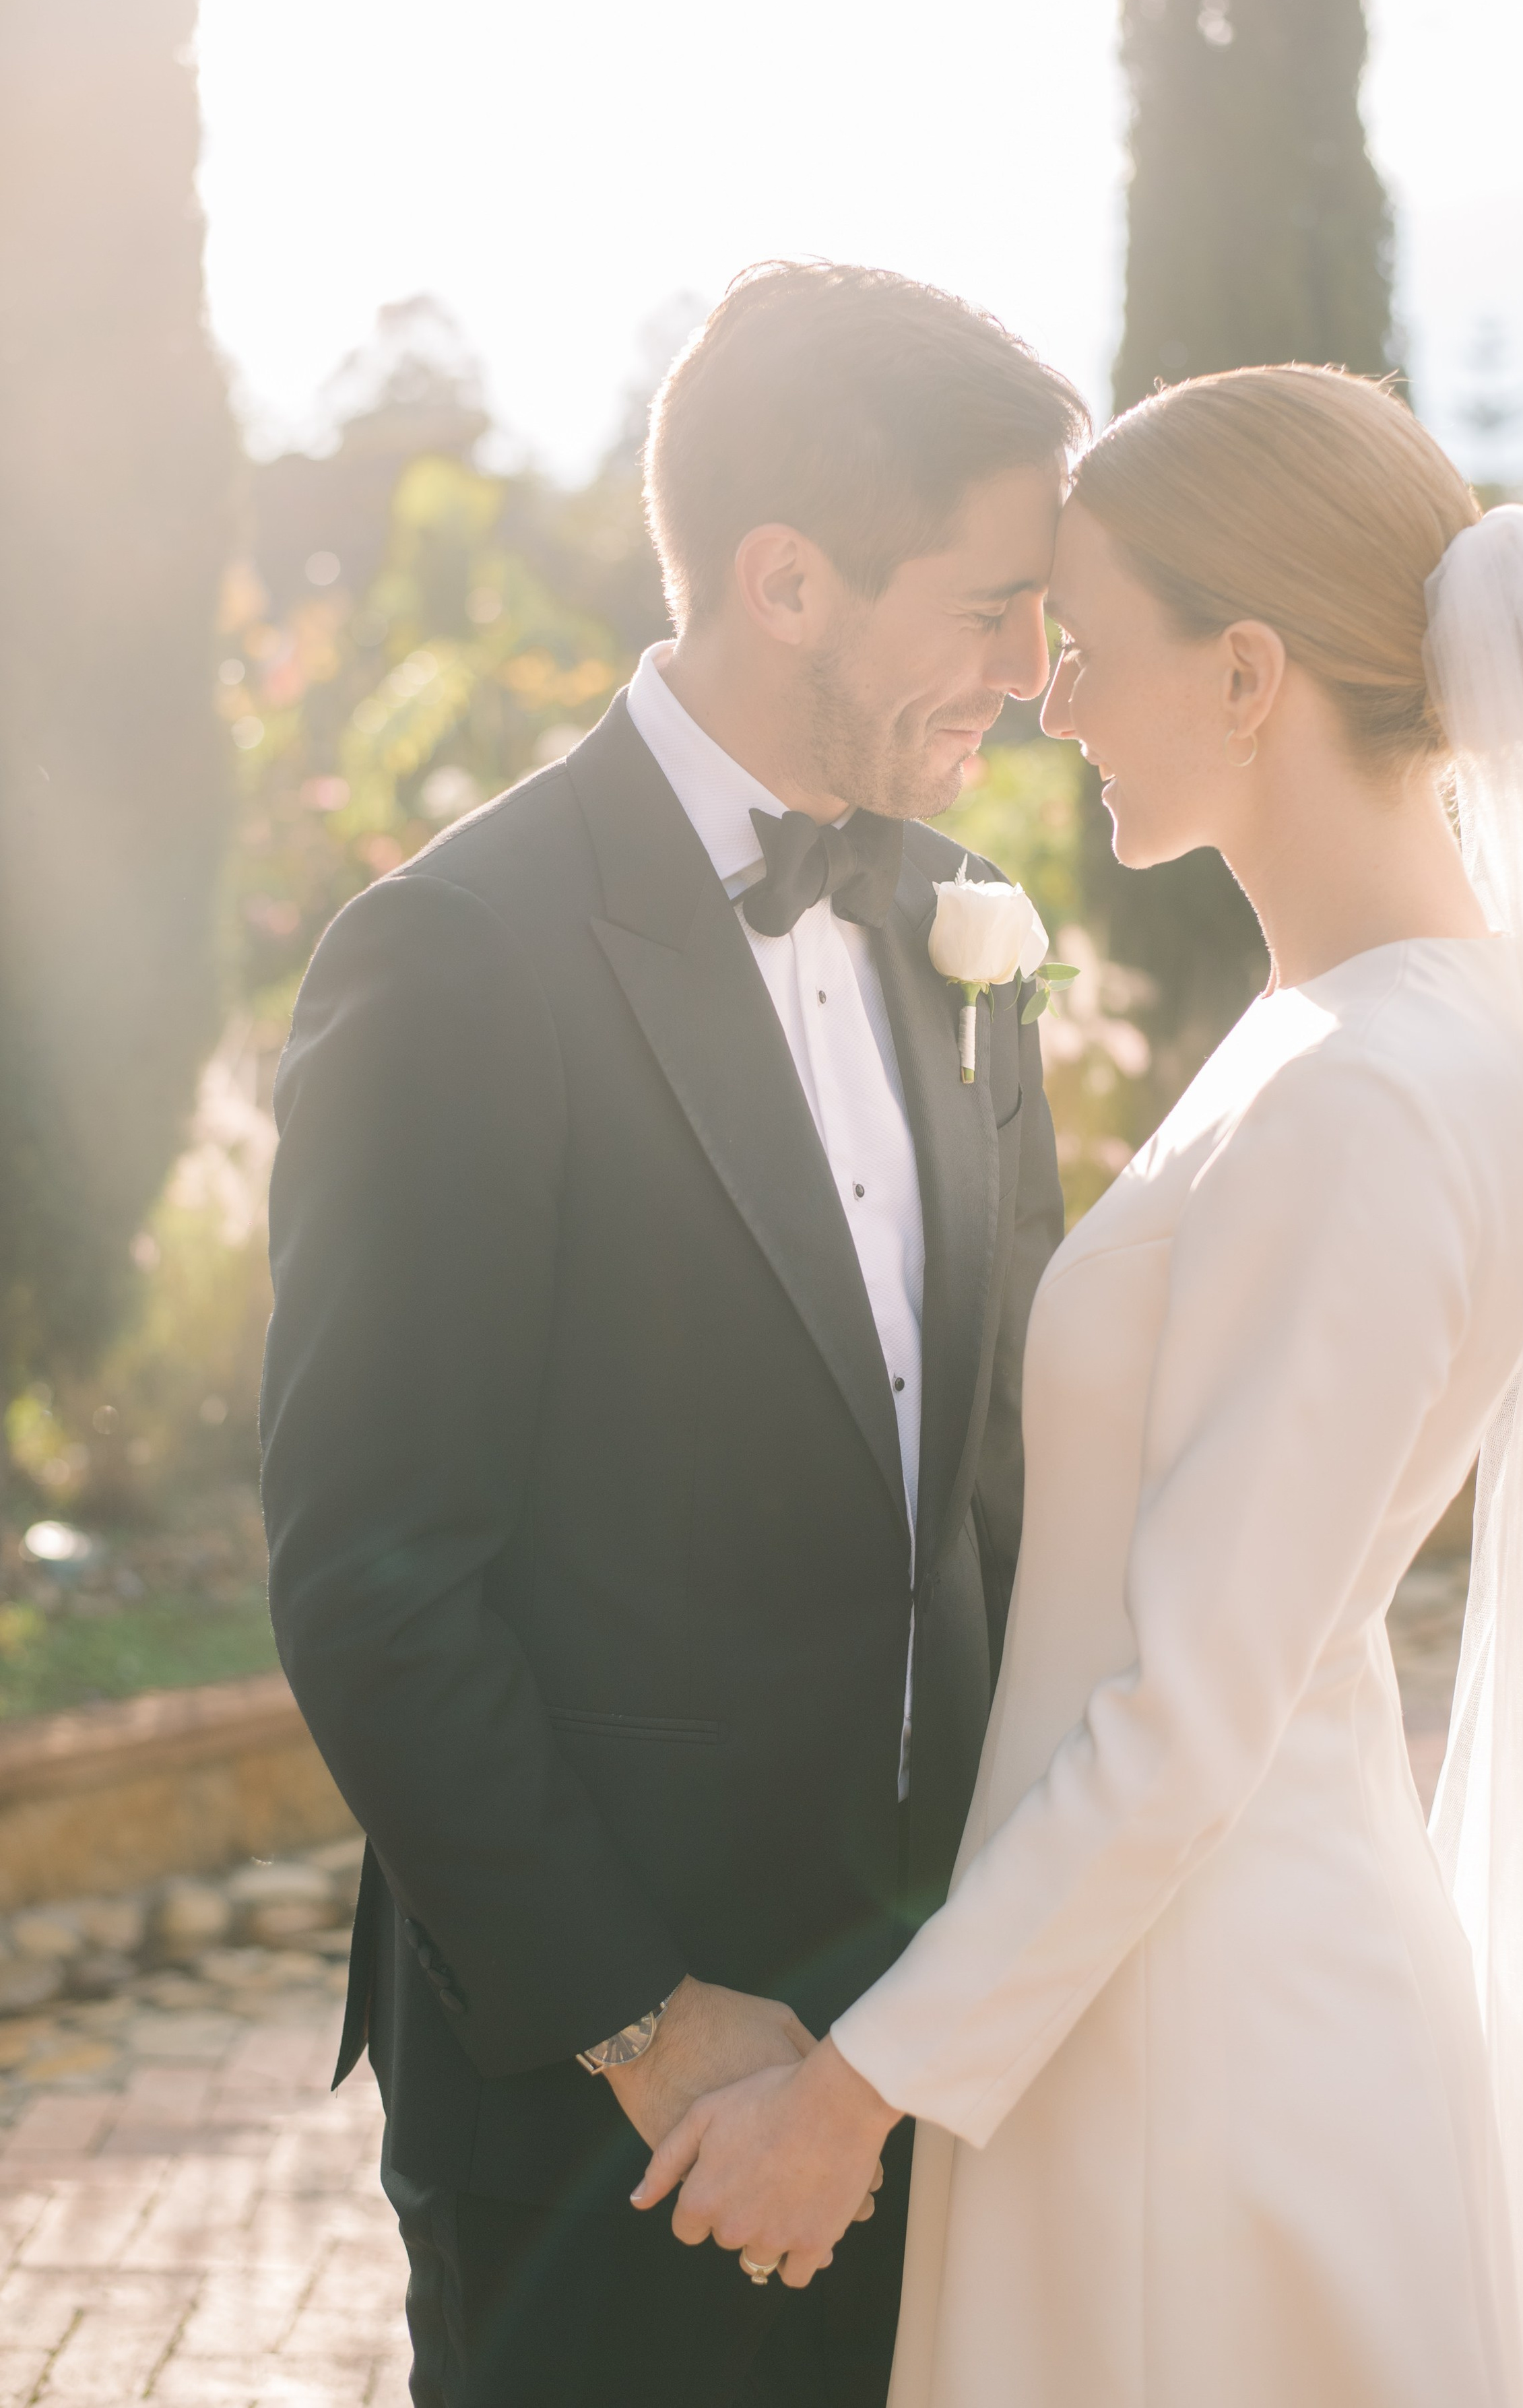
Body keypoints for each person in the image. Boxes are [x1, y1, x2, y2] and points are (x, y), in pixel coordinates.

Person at [635, 366, 1523, 2408]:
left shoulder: (1377, 1094)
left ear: (1247, 673)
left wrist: (849, 2097)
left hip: (1201, 2070)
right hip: (1165, 2010)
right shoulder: (1372, 1030)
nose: (1050, 699)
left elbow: (1189, 1709)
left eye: (1089, 643)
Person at [259, 261, 1080, 2407]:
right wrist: (657, 2022)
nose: (1036, 666)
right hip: (603, 2127)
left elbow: (994, 1488)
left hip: (916, 2086)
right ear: (789, 580)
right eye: (991, 605)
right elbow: (374, 1570)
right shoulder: (455, 956)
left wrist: (940, 2028)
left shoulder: (964, 929)